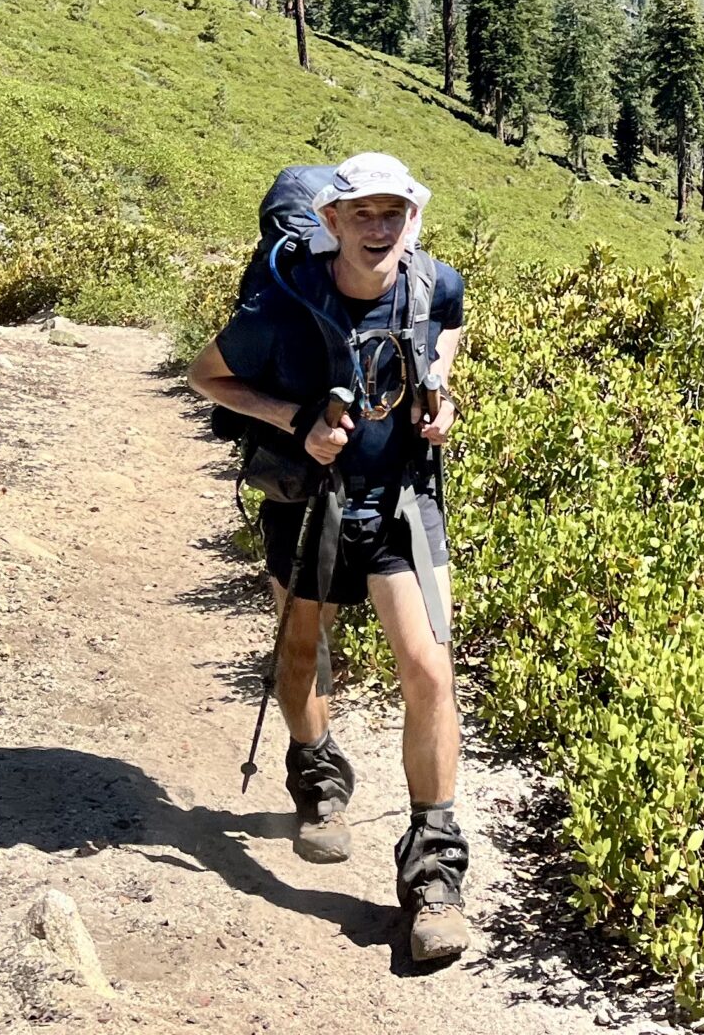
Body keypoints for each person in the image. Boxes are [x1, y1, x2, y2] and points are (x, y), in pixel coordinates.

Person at [185, 151, 472, 964]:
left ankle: (434, 877)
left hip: (400, 505)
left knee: (429, 671)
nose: (380, 230)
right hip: (309, 501)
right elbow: (208, 375)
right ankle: (318, 782)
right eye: (364, 215)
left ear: (413, 221)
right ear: (334, 221)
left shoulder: (431, 284)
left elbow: (448, 329)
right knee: (305, 646)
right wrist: (295, 418)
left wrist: (438, 390)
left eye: (396, 215)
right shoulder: (285, 300)